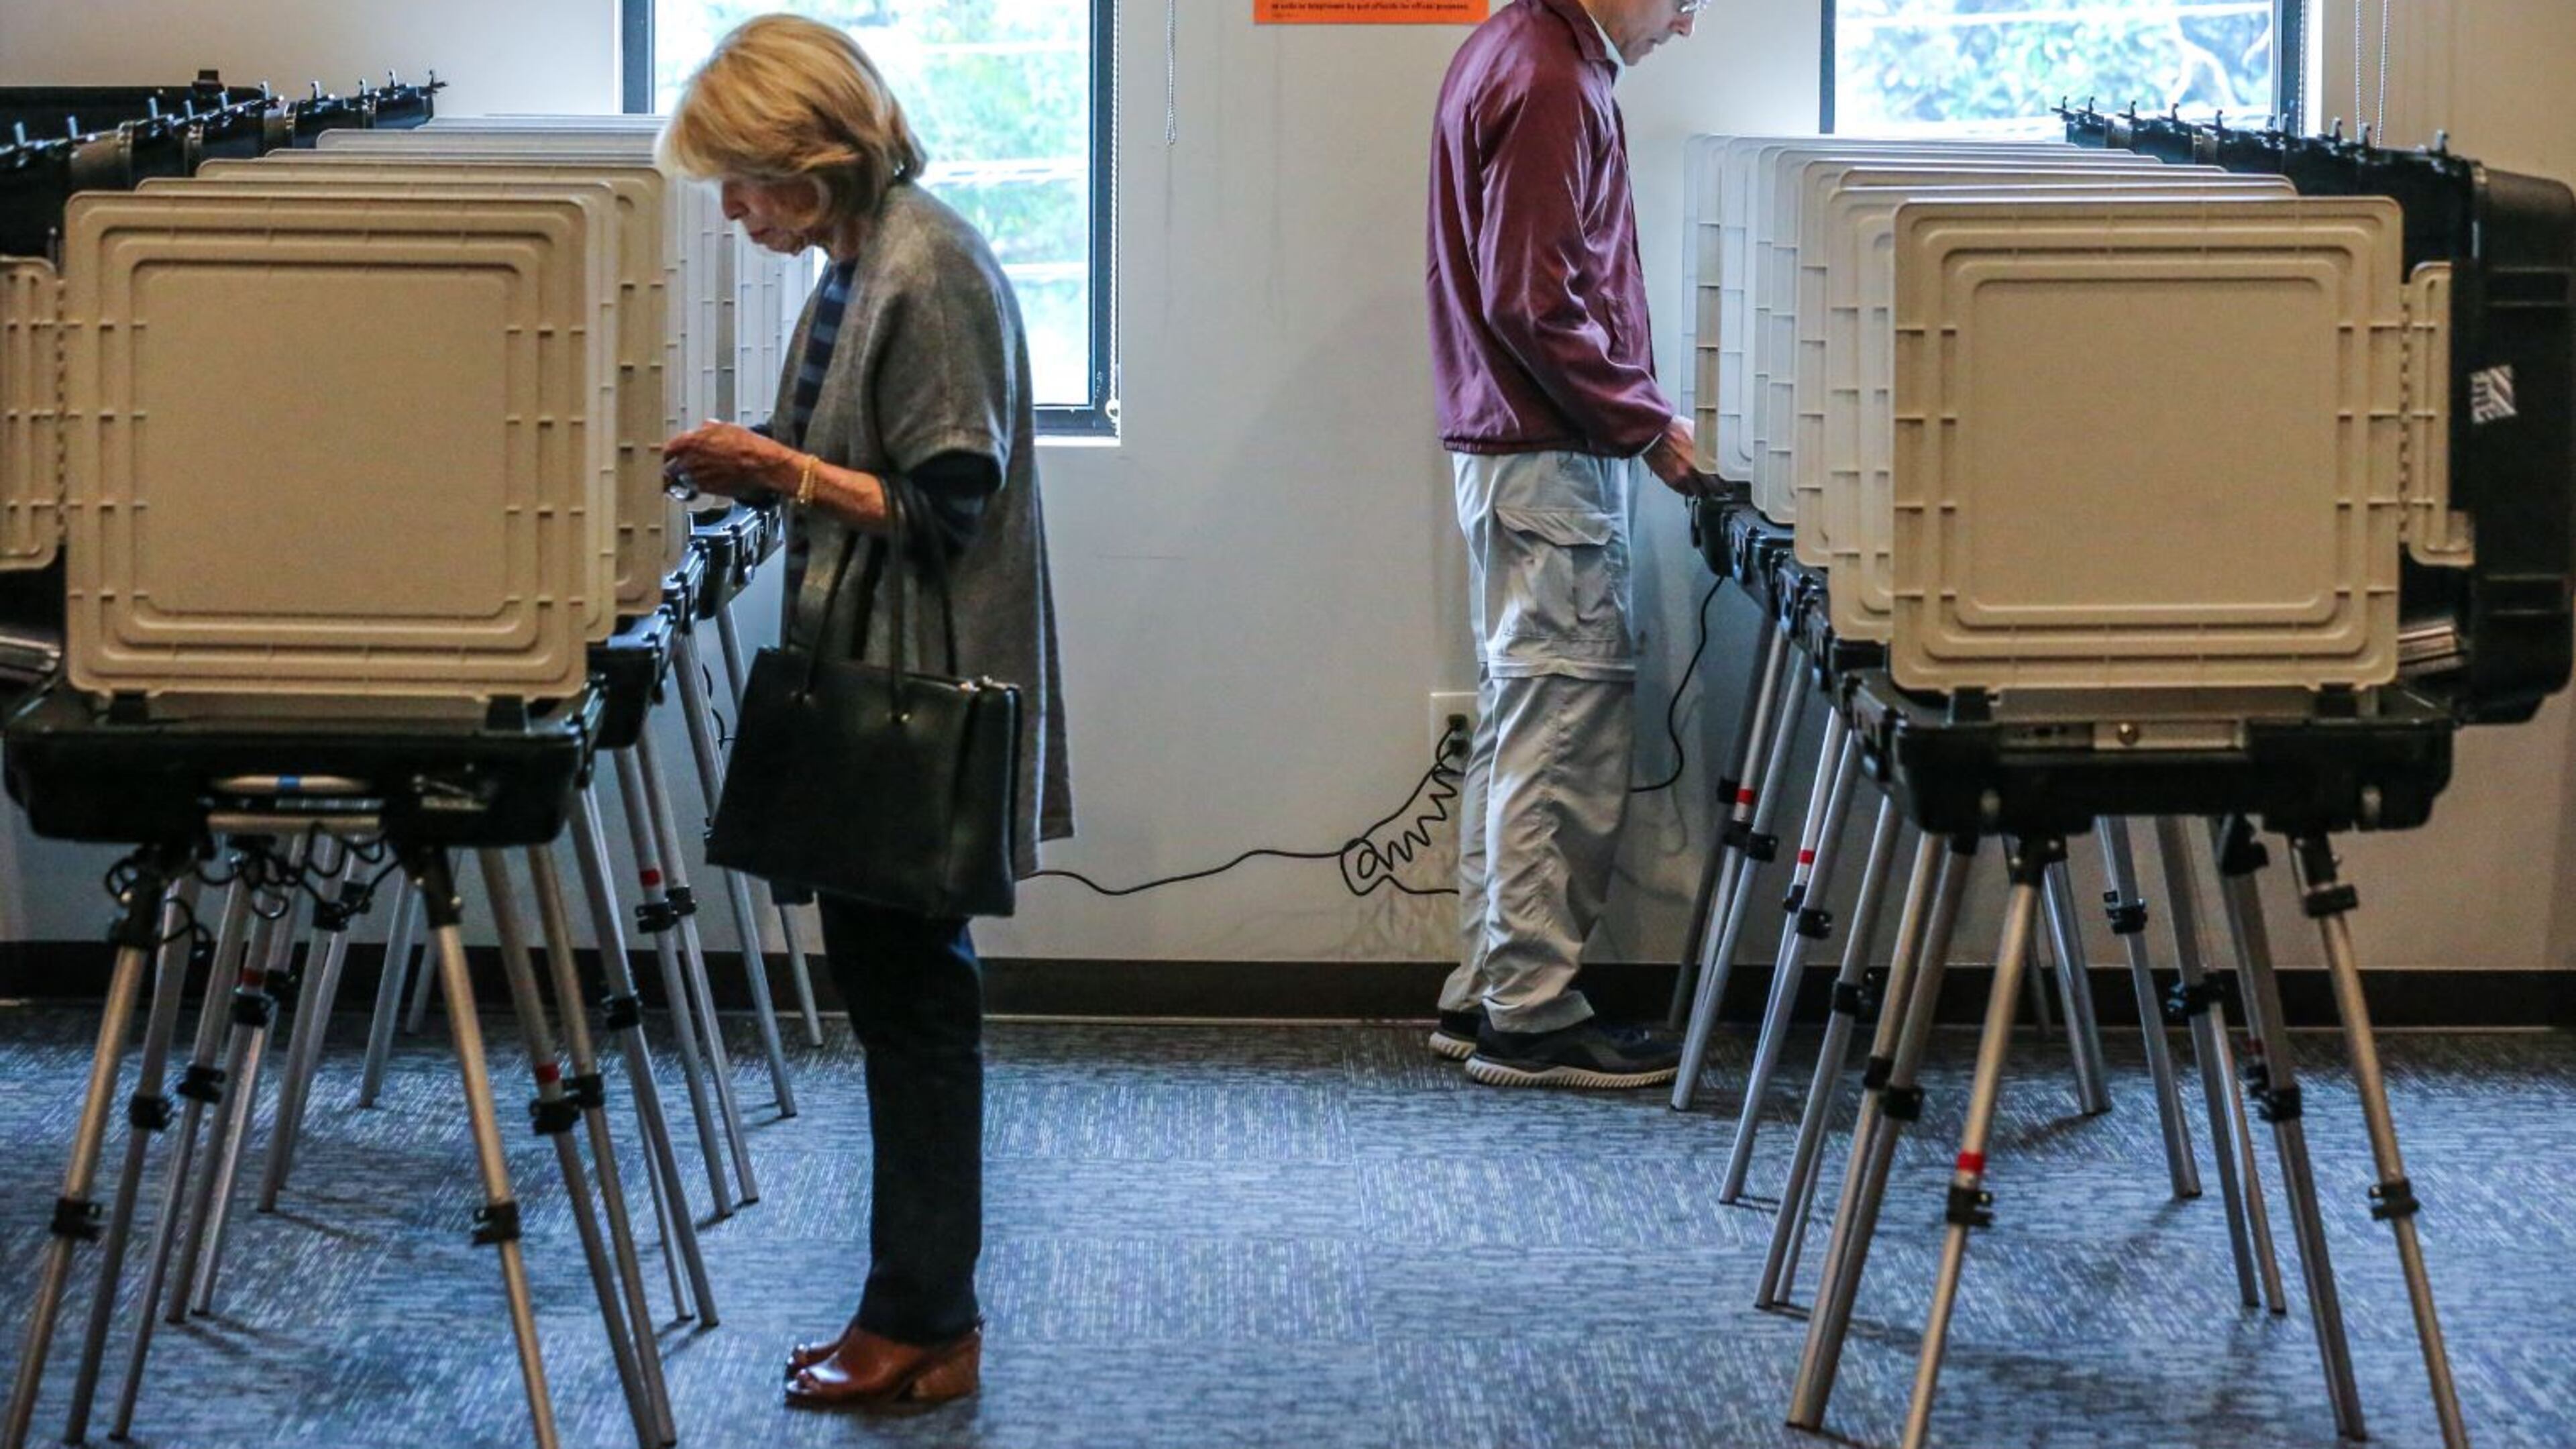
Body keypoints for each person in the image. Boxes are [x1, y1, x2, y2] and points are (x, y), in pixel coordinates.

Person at [657, 13, 1073, 1411]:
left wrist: (774, 470)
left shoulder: (923, 265)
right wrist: (768, 470)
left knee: (914, 1015)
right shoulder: (865, 256)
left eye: (743, 180)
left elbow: (950, 504)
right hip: (881, 679)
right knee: (903, 1007)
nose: (732, 208)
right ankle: (913, 1312)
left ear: (811, 161)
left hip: (916, 687)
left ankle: (926, 1325)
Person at [1423, 0, 1710, 1089]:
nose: (1684, 26)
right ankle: (1532, 1015)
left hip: (1514, 455)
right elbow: (1533, 299)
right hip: (1550, 455)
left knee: (1520, 722)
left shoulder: (1513, 45)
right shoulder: (1552, 78)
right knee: (1561, 733)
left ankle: (1490, 990)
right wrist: (1646, 425)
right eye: (1682, 0)